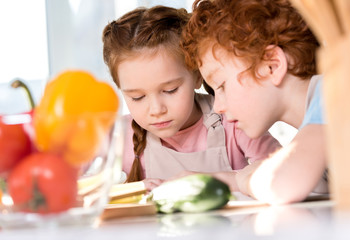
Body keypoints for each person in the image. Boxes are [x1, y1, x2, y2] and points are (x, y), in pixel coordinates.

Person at [102, 5, 280, 191]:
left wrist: (219, 180)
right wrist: (128, 190)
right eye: (137, 97)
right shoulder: (118, 136)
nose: (156, 110)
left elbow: (283, 170)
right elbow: (77, 187)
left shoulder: (234, 120)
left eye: (170, 90)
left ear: (197, 75)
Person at [181, 0, 329, 204]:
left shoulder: (333, 94)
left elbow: (281, 184)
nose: (217, 107)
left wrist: (242, 180)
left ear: (272, 66)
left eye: (222, 86)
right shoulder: (318, 126)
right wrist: (227, 179)